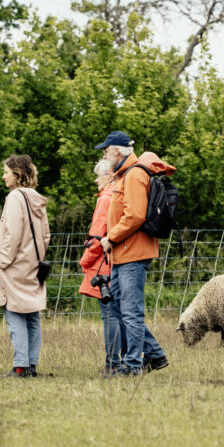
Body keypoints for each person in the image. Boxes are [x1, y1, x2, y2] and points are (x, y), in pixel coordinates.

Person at [97, 131, 176, 376]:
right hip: (124, 254)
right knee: (118, 307)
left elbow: (135, 215)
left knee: (130, 311)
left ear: (117, 151)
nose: (105, 155)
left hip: (132, 253)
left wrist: (111, 238)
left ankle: (133, 366)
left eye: (106, 150)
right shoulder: (126, 175)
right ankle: (153, 353)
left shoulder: (133, 175)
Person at [0, 154, 51, 378]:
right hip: (32, 264)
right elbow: (45, 235)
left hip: (14, 265)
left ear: (17, 174)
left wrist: (2, 261)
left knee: (14, 312)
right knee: (32, 313)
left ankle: (21, 365)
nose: (4, 176)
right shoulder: (37, 198)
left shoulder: (15, 198)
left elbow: (12, 234)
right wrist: (35, 257)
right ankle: (31, 364)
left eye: (6, 172)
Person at [78, 159, 123, 374]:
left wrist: (84, 261)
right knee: (120, 313)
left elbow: (96, 236)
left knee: (110, 314)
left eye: (98, 175)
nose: (96, 179)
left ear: (109, 176)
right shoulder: (120, 194)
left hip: (104, 263)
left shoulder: (105, 198)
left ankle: (112, 363)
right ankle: (124, 360)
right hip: (120, 260)